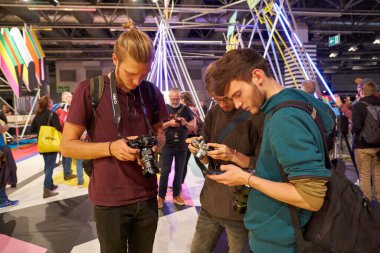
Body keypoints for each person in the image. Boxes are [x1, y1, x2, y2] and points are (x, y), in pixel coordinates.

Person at [207, 48, 334, 252]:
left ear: (257, 75)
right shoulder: (295, 101)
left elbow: (311, 197)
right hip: (283, 232)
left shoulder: (285, 117)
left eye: (238, 94)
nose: (238, 104)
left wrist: (246, 179)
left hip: (282, 240)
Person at [60, 21, 168, 253]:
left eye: (144, 74)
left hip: (148, 195)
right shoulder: (90, 90)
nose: (137, 81)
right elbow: (67, 146)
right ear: (115, 60)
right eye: (131, 73)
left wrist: (153, 147)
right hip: (110, 201)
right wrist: (111, 148)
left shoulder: (151, 91)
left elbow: (160, 133)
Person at [187, 62, 264, 253]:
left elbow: (265, 166)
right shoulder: (214, 113)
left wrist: (234, 156)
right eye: (216, 99)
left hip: (240, 208)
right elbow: (208, 163)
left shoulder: (255, 114)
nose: (224, 104)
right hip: (210, 202)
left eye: (226, 98)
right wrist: (200, 152)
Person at [158, 88, 196, 208]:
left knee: (179, 172)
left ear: (180, 98)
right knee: (164, 172)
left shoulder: (186, 109)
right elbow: (158, 127)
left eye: (177, 99)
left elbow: (193, 127)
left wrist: (184, 123)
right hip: (167, 145)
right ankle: (161, 196)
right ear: (169, 97)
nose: (174, 101)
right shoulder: (163, 108)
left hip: (181, 146)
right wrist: (169, 123)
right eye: (172, 99)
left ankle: (176, 195)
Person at [351, 79, 380, 203]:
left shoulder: (358, 106)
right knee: (378, 175)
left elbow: (356, 127)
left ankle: (366, 204)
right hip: (379, 146)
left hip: (362, 145)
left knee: (364, 175)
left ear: (362, 91)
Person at [31, 96, 62, 198]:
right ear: (48, 104)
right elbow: (59, 128)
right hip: (51, 144)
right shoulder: (53, 114)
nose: (52, 102)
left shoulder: (38, 115)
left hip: (42, 144)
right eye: (51, 101)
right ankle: (46, 189)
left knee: (47, 165)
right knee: (50, 167)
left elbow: (32, 129)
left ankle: (50, 185)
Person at [180, 91, 207, 183]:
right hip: (197, 135)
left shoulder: (187, 109)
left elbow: (191, 125)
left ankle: (179, 183)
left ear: (183, 99)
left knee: (185, 160)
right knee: (197, 159)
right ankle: (207, 176)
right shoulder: (194, 108)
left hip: (191, 136)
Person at [53, 91, 76, 181]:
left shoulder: (55, 107)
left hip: (58, 134)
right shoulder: (68, 107)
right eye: (70, 97)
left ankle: (66, 171)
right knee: (68, 153)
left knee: (64, 153)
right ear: (66, 97)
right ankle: (67, 173)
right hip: (67, 132)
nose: (72, 98)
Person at [0, 110, 18, 209]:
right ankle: (2, 200)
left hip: (2, 149)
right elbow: (4, 128)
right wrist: (4, 119)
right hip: (1, 150)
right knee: (3, 175)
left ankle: (3, 199)